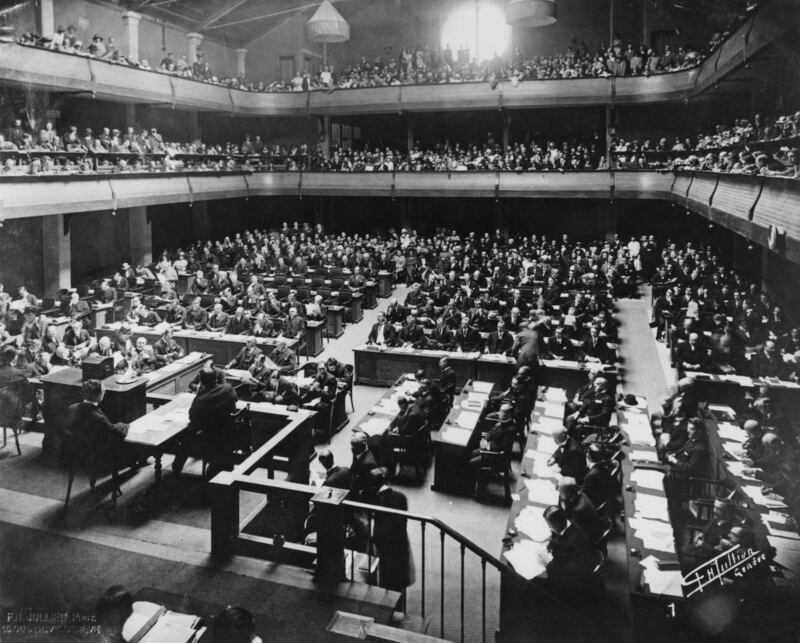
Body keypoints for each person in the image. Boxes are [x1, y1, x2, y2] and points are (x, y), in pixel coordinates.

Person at [63, 380, 130, 495]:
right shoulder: (98, 417)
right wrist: (124, 426)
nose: (104, 393)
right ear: (97, 396)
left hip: (75, 452)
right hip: (95, 455)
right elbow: (114, 433)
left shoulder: (72, 408)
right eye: (103, 391)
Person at [171, 368, 238, 478]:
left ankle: (176, 470)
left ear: (201, 383)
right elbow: (235, 400)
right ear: (216, 379)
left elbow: (192, 416)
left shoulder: (202, 399)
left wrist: (199, 393)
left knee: (185, 438)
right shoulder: (229, 388)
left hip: (211, 438)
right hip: (230, 432)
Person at [370, 470, 415, 594]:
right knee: (400, 579)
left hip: (387, 550)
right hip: (401, 544)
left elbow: (380, 533)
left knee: (388, 581)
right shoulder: (401, 496)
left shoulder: (380, 503)